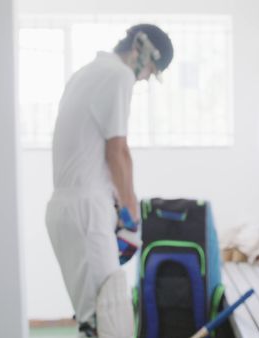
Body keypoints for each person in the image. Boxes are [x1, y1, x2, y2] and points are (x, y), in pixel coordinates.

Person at [45, 24, 173, 338]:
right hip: (86, 210)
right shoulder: (119, 75)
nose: (143, 79)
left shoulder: (85, 74)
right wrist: (131, 213)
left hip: (66, 208)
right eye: (150, 70)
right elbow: (118, 151)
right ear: (141, 51)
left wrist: (117, 202)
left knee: (93, 317)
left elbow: (91, 151)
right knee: (109, 316)